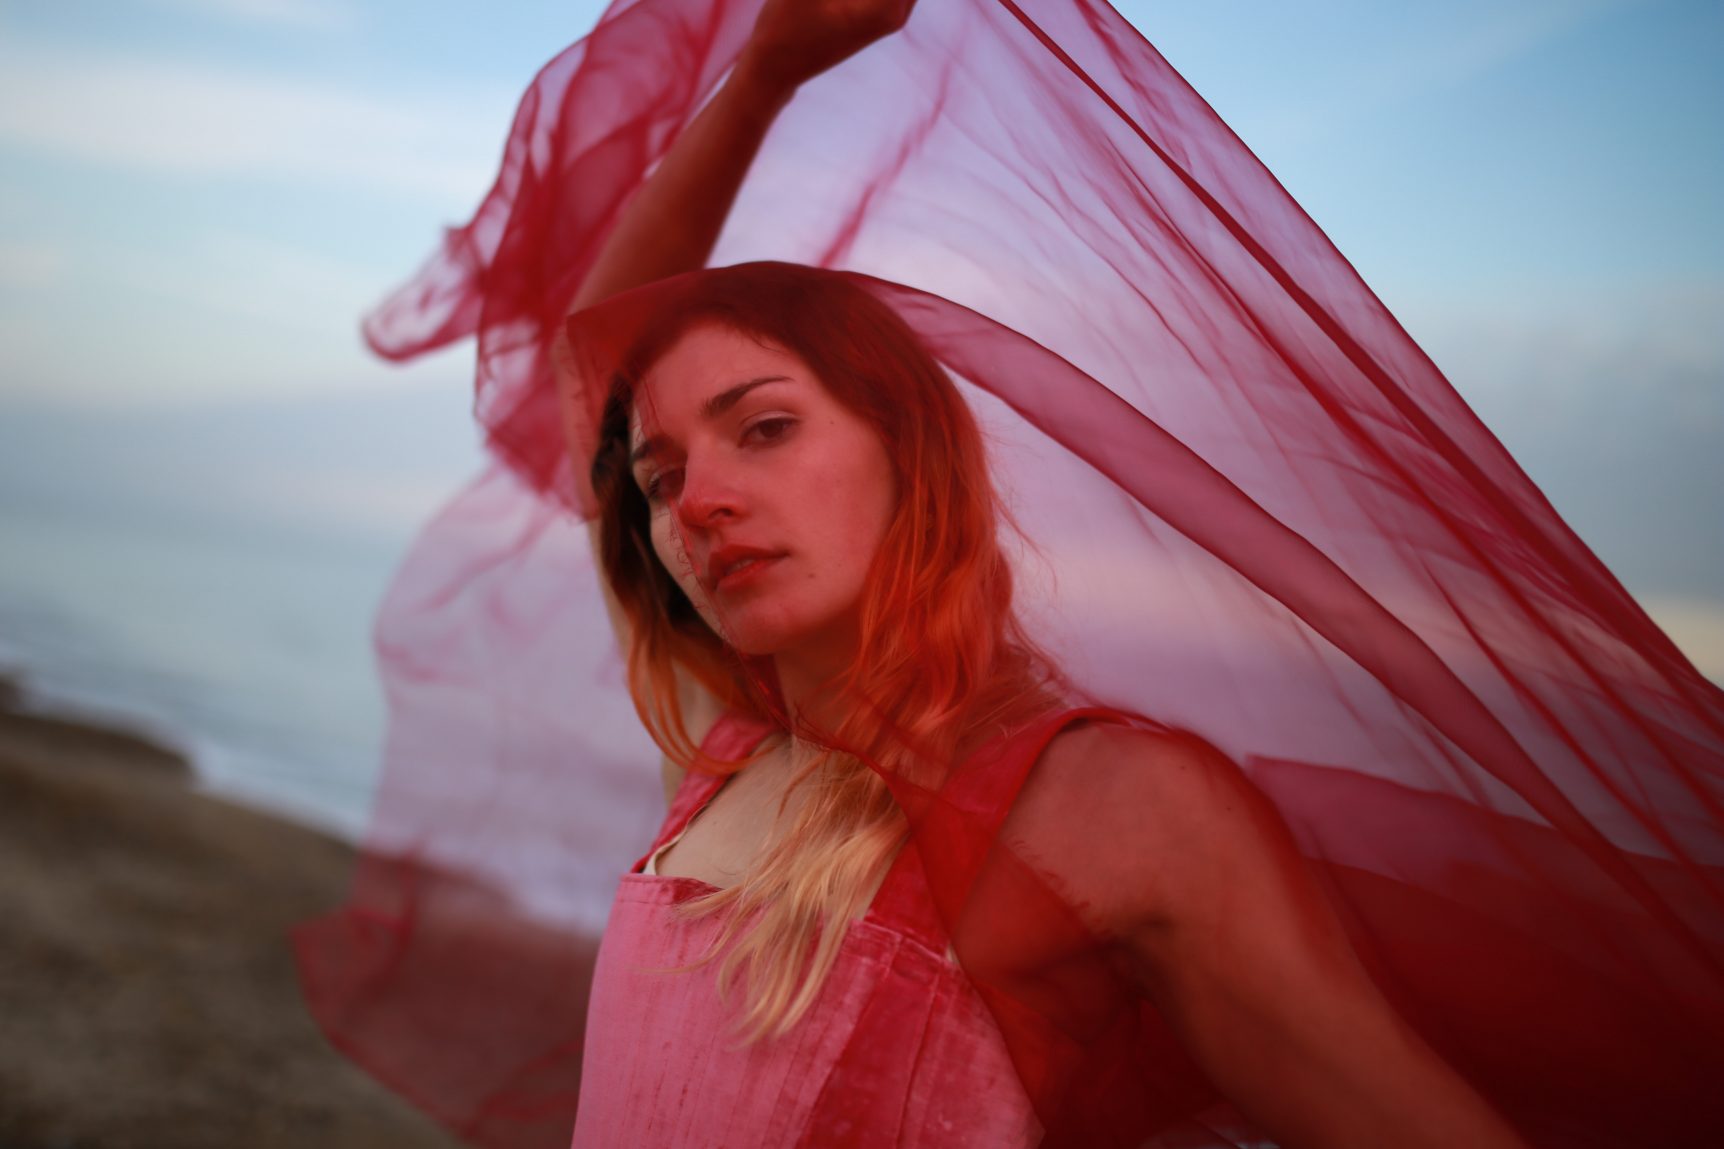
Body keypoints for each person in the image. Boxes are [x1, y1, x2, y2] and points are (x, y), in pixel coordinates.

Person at [296, 1, 1724, 1146]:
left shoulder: (1112, 806)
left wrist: (771, 68)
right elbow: (598, 379)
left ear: (914, 459)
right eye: (666, 483)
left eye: (768, 428)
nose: (702, 499)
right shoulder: (739, 754)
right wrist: (766, 70)